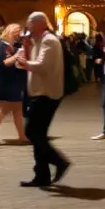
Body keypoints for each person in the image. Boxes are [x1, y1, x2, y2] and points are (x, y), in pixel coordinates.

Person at [16, 12, 70, 187]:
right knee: (38, 135)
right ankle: (42, 175)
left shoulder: (49, 41)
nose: (28, 27)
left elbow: (42, 66)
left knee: (32, 132)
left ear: (40, 24)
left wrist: (24, 63)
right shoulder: (39, 41)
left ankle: (59, 162)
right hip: (40, 92)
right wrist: (26, 49)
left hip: (47, 93)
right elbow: (33, 62)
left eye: (30, 23)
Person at [0, 24, 27, 145]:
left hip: (14, 80)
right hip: (5, 82)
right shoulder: (1, 45)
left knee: (18, 109)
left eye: (19, 32)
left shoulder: (12, 46)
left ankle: (22, 136)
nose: (18, 34)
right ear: (9, 32)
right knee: (4, 109)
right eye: (16, 32)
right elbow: (2, 63)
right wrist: (17, 56)